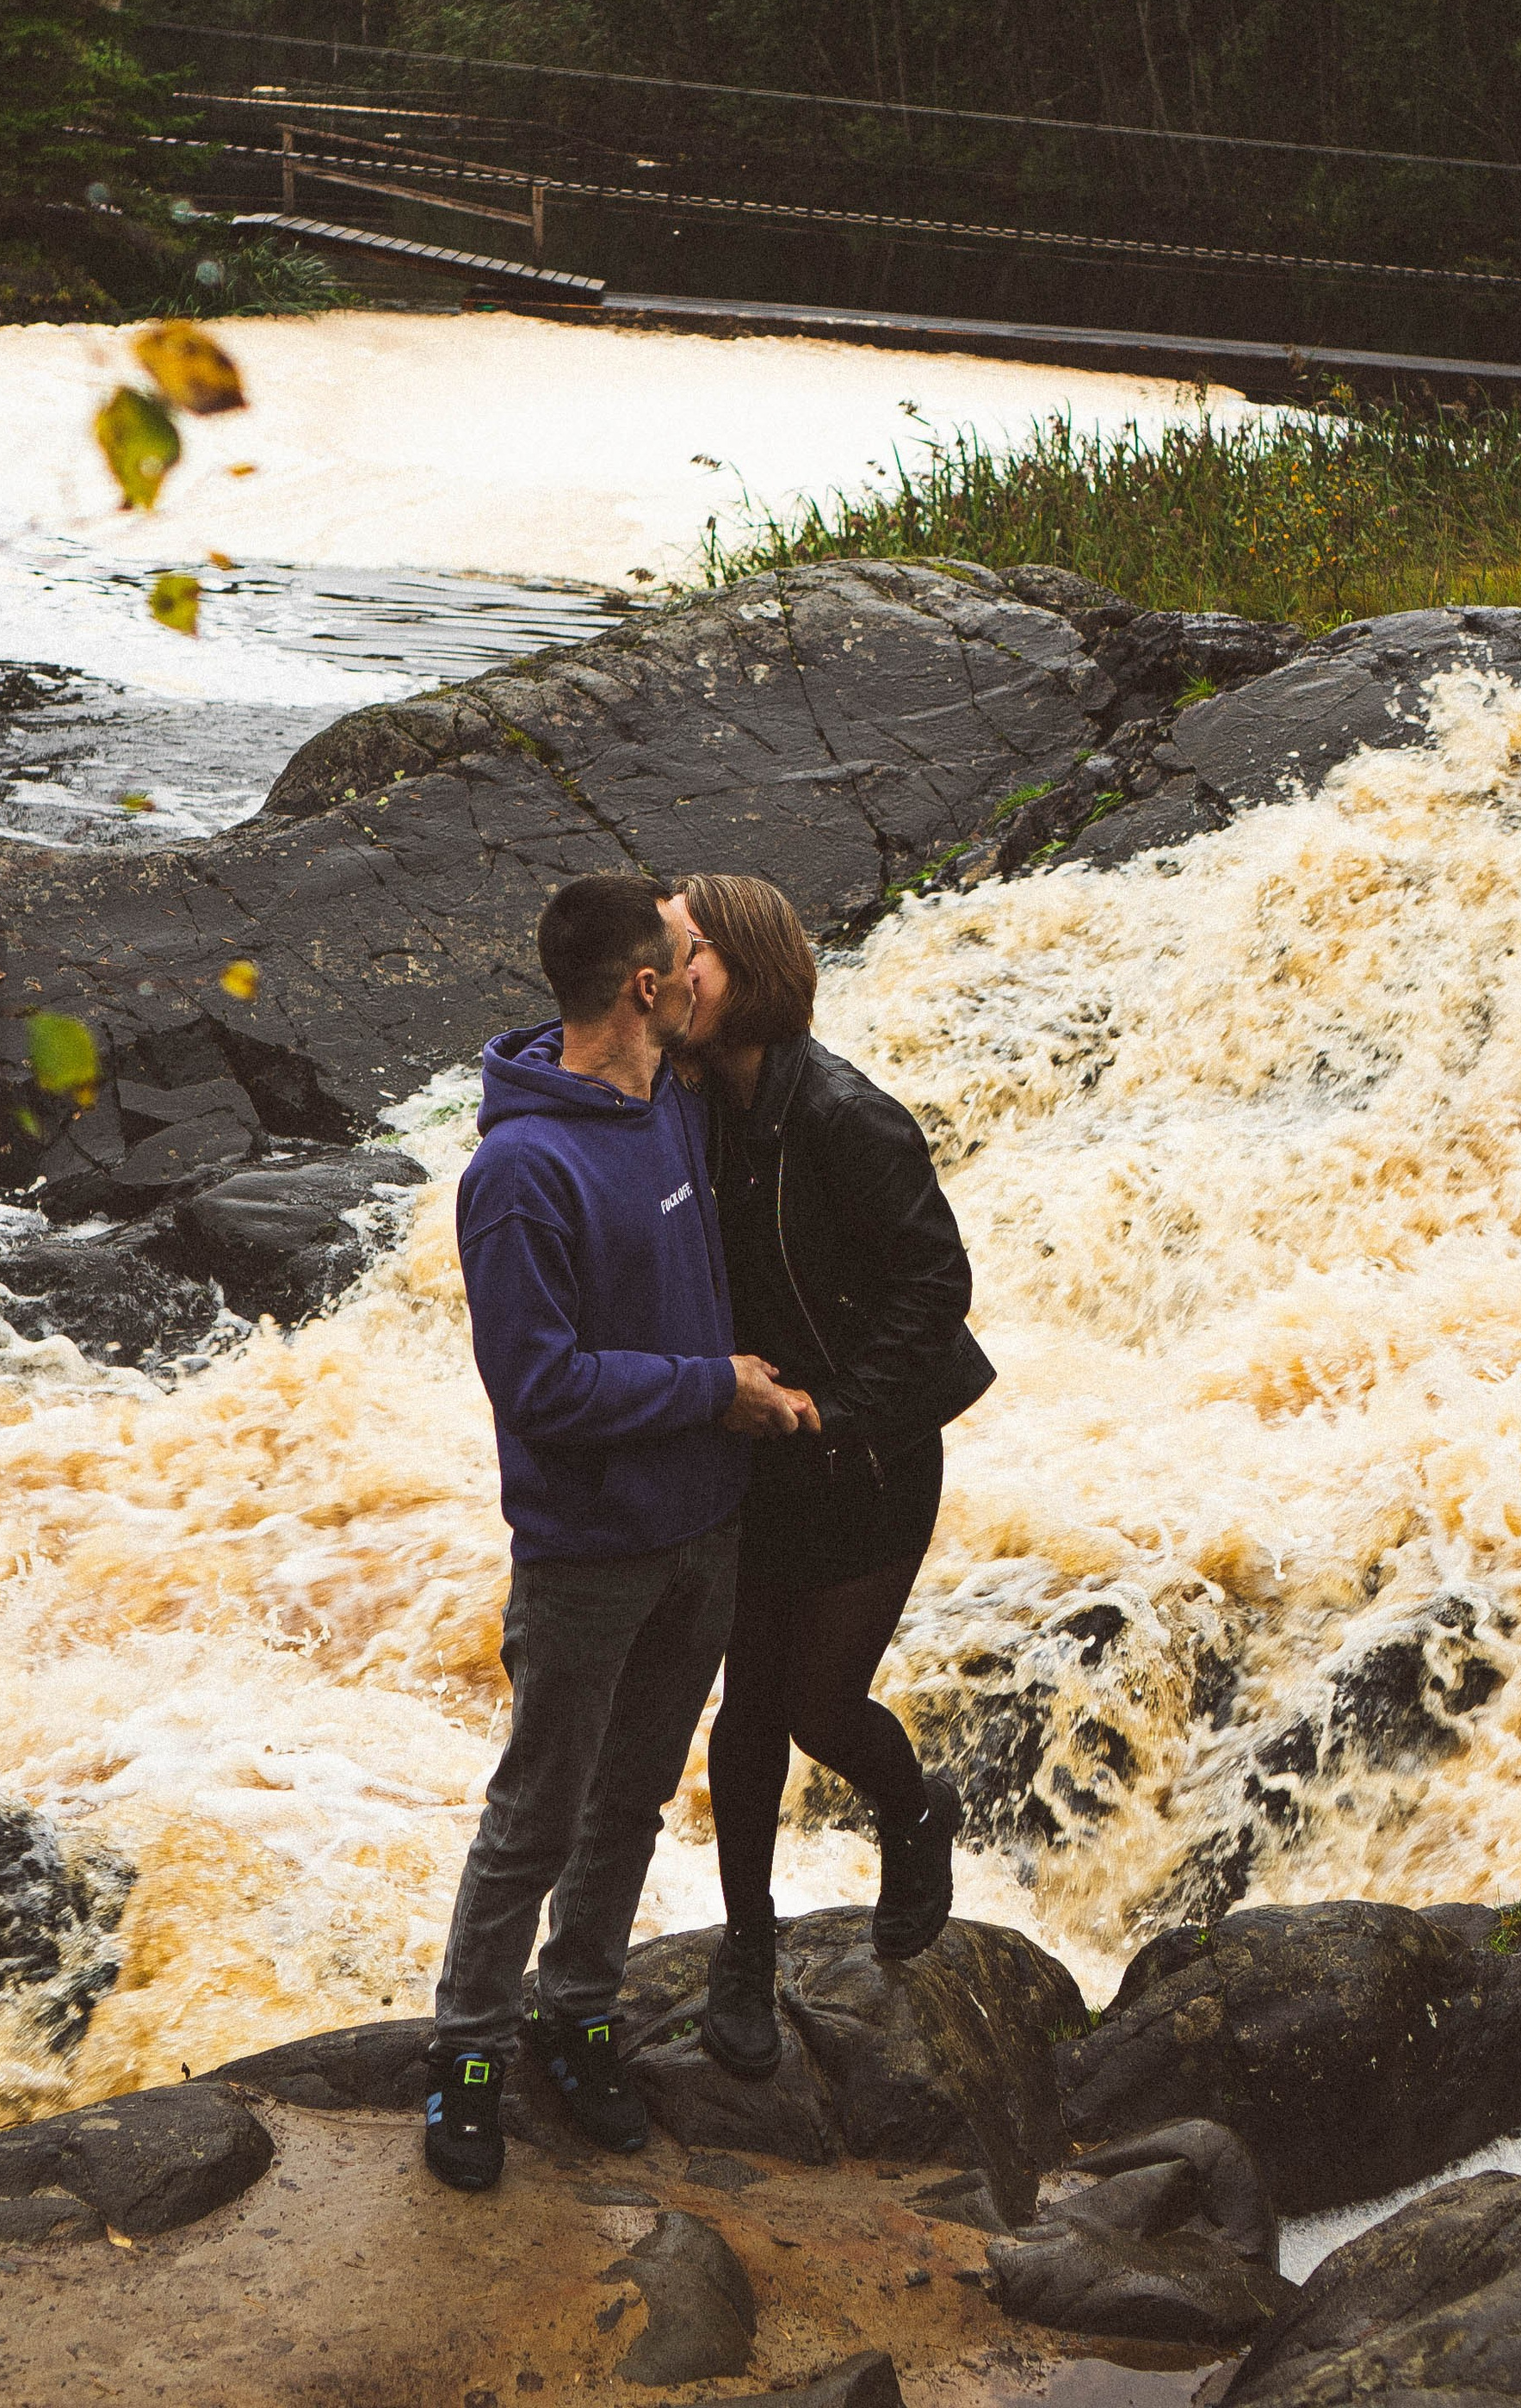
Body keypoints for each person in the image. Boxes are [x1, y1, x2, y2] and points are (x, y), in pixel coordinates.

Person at [424, 872, 815, 2194]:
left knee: (634, 1800)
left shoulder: (678, 1104)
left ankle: (577, 2013)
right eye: (684, 957)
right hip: (588, 1554)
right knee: (538, 1812)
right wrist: (715, 1390)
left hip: (707, 1531)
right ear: (645, 988)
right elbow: (540, 1388)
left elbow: (767, 1031)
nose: (699, 976)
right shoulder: (519, 1172)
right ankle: (467, 2054)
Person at [664, 871, 994, 2084]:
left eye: (686, 954)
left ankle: (914, 1812)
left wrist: (843, 1414)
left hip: (872, 1454)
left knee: (820, 1706)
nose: (664, 976)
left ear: (746, 970)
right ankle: (746, 1950)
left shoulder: (851, 1117)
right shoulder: (686, 1105)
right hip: (757, 1447)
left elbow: (937, 1283)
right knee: (749, 1711)